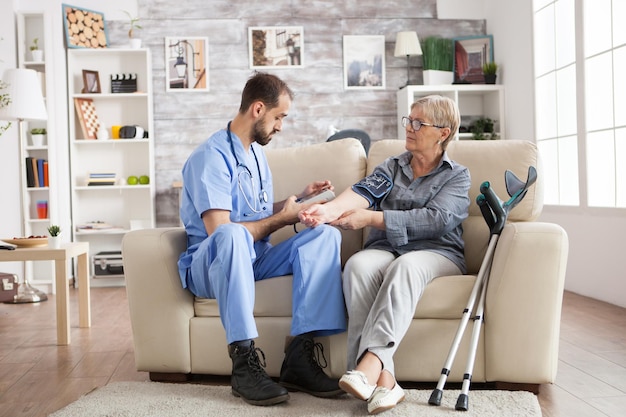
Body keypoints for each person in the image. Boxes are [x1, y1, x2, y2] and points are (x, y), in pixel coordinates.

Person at [177, 72, 346, 406]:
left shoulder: (255, 154)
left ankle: (300, 355)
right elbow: (222, 230)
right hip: (211, 266)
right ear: (257, 109)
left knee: (324, 235)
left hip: (253, 256)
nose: (280, 125)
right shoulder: (210, 158)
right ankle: (243, 362)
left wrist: (296, 202)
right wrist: (281, 219)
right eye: (278, 116)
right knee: (232, 235)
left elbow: (253, 213)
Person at [299, 95, 471, 414]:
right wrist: (326, 210)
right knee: (358, 266)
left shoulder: (456, 176)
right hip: (386, 248)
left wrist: (373, 219)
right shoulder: (392, 166)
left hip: (437, 252)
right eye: (409, 120)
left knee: (404, 268)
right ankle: (385, 381)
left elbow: (438, 220)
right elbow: (363, 193)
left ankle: (367, 367)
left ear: (443, 132)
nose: (409, 127)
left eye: (419, 123)